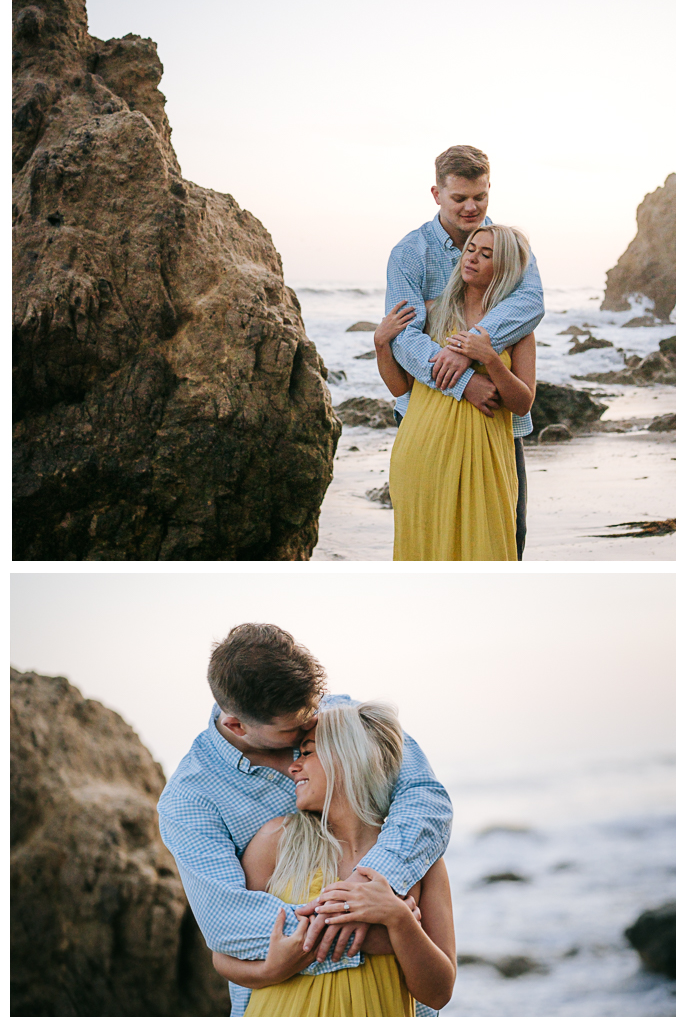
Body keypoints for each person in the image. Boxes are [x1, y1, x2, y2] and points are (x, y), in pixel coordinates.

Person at [157, 622, 453, 1018]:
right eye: (294, 731)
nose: (311, 727)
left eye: (313, 713)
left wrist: (370, 887)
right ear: (237, 726)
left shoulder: (343, 722)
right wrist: (376, 930)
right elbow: (229, 927)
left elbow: (427, 801)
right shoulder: (191, 799)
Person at [211, 701, 456, 1015]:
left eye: (308, 752)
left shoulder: (419, 860)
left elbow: (438, 993)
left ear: (349, 757)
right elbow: (225, 953)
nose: (292, 767)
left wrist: (398, 920)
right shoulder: (277, 841)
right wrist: (374, 937)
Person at [383, 145, 544, 559]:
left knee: (508, 538)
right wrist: (463, 378)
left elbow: (530, 305)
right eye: (460, 198)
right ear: (437, 194)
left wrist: (472, 346)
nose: (472, 207)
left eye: (480, 196)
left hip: (497, 431)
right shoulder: (409, 254)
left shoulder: (510, 247)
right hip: (428, 426)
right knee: (428, 540)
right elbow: (404, 337)